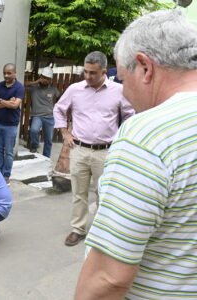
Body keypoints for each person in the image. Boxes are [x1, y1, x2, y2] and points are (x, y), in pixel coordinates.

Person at [75, 9, 197, 299]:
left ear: (145, 67)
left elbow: (108, 277)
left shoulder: (148, 135)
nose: (124, 91)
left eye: (122, 76)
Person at [53, 51, 134, 247]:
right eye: (85, 72)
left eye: (93, 73)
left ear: (104, 72)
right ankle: (78, 229)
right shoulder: (75, 89)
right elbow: (59, 109)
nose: (87, 76)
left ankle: (100, 231)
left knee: (103, 194)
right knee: (78, 193)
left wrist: (123, 140)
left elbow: (130, 115)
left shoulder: (118, 90)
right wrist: (65, 133)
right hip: (79, 149)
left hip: (106, 151)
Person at [0, 63, 25, 185]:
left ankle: (6, 175)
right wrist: (7, 102)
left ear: (15, 73)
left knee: (8, 152)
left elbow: (15, 106)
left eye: (9, 73)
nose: (6, 75)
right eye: (4, 73)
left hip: (11, 125)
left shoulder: (19, 88)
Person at [25, 66, 61, 157]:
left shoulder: (53, 89)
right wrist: (36, 81)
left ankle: (46, 157)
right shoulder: (34, 87)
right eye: (44, 77)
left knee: (48, 140)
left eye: (48, 79)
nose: (45, 80)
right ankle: (34, 146)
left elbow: (61, 99)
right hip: (37, 116)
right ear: (41, 77)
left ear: (50, 80)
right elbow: (21, 85)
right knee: (34, 130)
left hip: (50, 117)